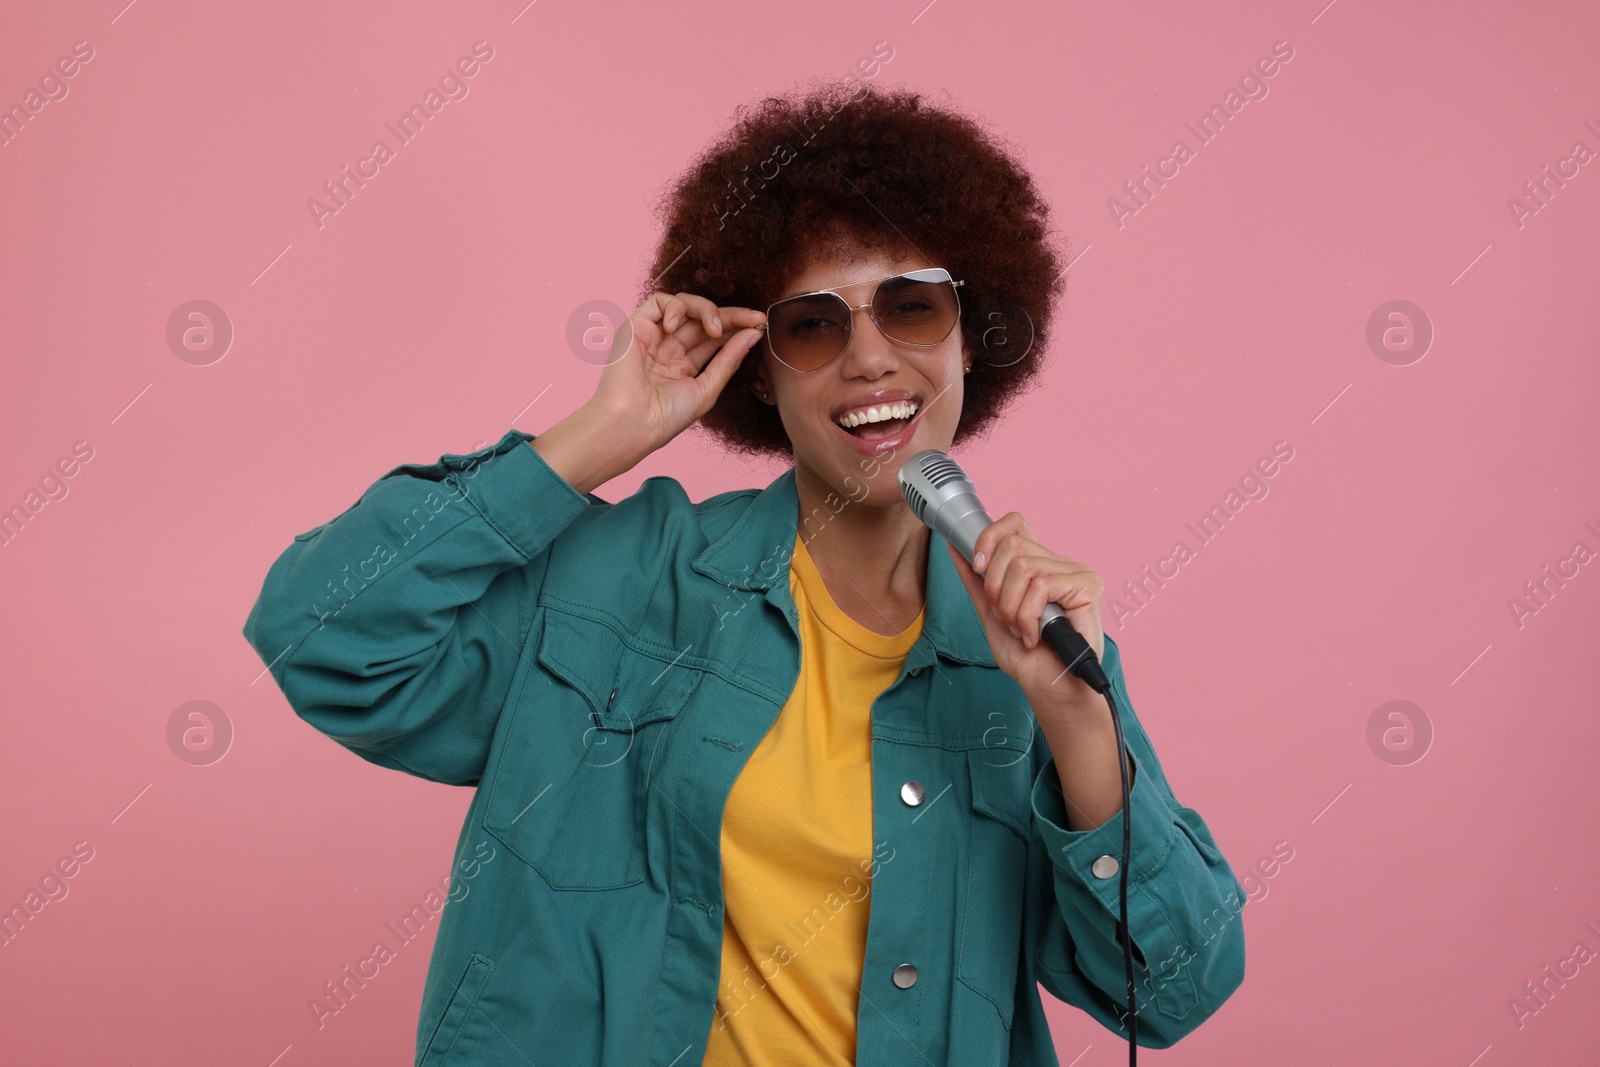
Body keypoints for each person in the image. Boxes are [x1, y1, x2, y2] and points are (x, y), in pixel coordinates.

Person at [243, 79, 1245, 1066]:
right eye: (814, 323)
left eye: (911, 307)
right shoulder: (622, 575)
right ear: (760, 368)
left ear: (970, 337)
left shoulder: (1035, 649)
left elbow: (1172, 990)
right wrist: (598, 435)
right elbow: (318, 631)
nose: (868, 357)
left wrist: (1076, 722)